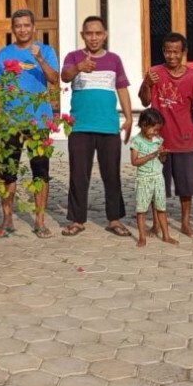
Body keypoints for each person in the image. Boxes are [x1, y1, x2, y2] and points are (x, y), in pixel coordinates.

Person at [61, 15, 133, 237]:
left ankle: (114, 219)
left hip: (108, 126)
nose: (93, 38)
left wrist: (129, 117)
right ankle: (77, 219)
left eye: (98, 33)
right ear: (83, 35)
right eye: (89, 33)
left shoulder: (114, 59)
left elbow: (121, 88)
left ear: (105, 34)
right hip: (80, 126)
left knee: (111, 174)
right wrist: (79, 67)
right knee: (78, 175)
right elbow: (64, 76)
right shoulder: (73, 57)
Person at [0, 9, 60, 239]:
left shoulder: (46, 51)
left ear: (34, 27)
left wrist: (39, 58)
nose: (22, 29)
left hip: (38, 121)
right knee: (7, 172)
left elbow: (54, 79)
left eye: (26, 25)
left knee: (40, 172)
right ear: (13, 29)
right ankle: (7, 218)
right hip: (11, 122)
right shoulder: (3, 54)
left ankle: (39, 220)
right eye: (18, 26)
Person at [139, 32, 193, 238]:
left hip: (185, 139)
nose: (171, 56)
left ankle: (185, 223)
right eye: (168, 51)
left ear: (184, 52)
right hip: (158, 141)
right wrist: (146, 83)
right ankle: (157, 224)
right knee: (157, 184)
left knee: (186, 187)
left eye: (176, 52)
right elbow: (144, 101)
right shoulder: (155, 72)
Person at [131, 109, 177, 247]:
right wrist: (150, 156)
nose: (156, 132)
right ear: (144, 125)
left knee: (161, 208)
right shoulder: (137, 141)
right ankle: (142, 237)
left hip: (158, 178)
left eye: (158, 130)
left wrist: (163, 154)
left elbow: (161, 160)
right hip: (143, 179)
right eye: (154, 129)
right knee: (141, 210)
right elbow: (134, 161)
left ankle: (166, 235)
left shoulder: (158, 140)